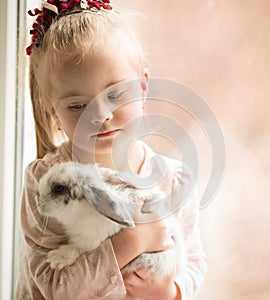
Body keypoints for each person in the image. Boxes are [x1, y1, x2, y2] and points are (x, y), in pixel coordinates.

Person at [16, 1, 207, 299]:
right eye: (78, 105)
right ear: (52, 111)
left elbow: (193, 261)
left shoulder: (173, 178)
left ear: (143, 87)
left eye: (116, 94)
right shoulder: (47, 182)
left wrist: (168, 291)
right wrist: (136, 238)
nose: (101, 114)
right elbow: (55, 288)